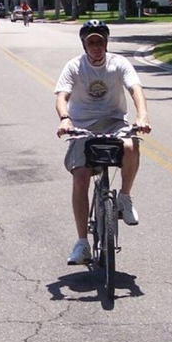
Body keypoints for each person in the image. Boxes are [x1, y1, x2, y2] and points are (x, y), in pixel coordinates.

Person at [54, 20, 151, 266]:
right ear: (85, 45)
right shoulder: (74, 67)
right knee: (80, 177)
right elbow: (62, 96)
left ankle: (125, 198)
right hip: (82, 126)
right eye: (91, 42)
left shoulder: (118, 63)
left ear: (106, 43)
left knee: (130, 146)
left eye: (100, 41)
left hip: (114, 121)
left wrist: (142, 116)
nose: (96, 47)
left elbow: (135, 89)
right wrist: (65, 119)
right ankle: (82, 243)